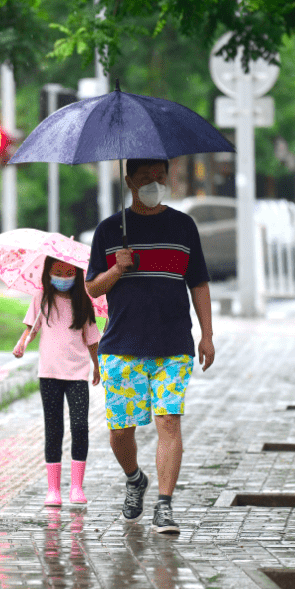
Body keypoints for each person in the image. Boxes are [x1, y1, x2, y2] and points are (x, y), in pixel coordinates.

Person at [85, 158, 215, 535]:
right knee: (121, 431)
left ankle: (164, 505)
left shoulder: (183, 226)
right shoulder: (110, 230)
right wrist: (116, 269)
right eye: (145, 178)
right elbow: (92, 288)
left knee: (169, 421)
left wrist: (206, 334)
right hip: (122, 346)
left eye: (160, 177)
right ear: (128, 181)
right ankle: (134, 478)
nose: (154, 183)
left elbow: (199, 283)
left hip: (173, 344)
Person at [14, 256, 101, 507]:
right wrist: (21, 344)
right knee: (53, 428)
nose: (63, 277)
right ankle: (53, 490)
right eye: (57, 271)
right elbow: (31, 327)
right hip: (49, 374)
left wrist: (97, 366)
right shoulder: (41, 299)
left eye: (68, 272)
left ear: (77, 274)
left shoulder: (84, 302)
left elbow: (92, 339)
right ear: (48, 273)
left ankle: (76, 487)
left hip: (77, 375)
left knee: (80, 426)